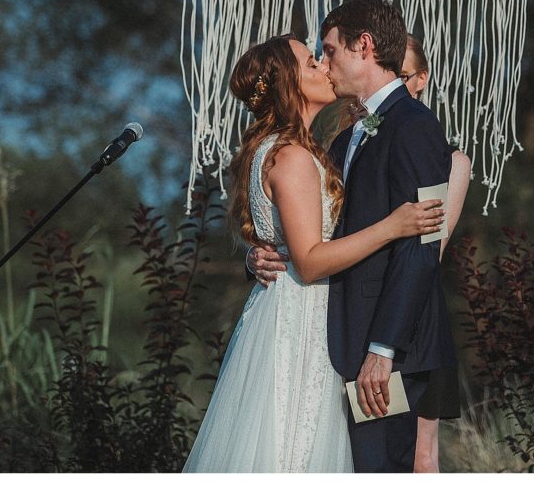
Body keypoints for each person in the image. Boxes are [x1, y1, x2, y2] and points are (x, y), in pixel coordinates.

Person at [183, 34, 444, 473]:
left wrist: (256, 257)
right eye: (311, 63)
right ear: (291, 86)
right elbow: (308, 260)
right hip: (303, 325)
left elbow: (287, 242)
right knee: (294, 449)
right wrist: (393, 226)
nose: (324, 66)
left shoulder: (304, 150)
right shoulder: (292, 157)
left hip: (300, 314)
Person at [250, 0, 457, 472]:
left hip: (391, 353)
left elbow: (420, 249)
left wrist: (383, 352)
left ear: (363, 46)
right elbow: (315, 233)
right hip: (343, 345)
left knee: (384, 466)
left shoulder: (416, 126)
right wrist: (261, 256)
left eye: (329, 50)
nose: (324, 64)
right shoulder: (345, 137)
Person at [401, 34, 471, 473]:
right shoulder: (347, 143)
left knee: (421, 453)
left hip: (416, 315)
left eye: (402, 76)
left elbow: (433, 246)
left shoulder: (452, 162)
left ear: (421, 80)